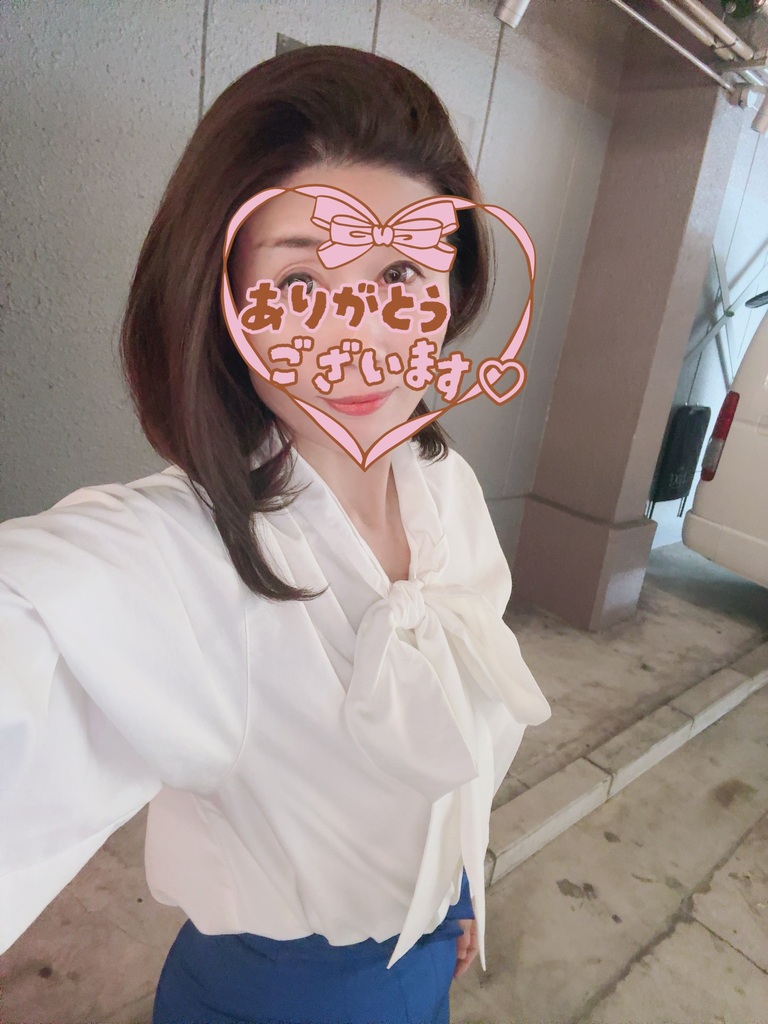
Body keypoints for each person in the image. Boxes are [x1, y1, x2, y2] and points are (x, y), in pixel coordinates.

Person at [0, 44, 550, 1024]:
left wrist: (458, 888)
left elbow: (449, 746)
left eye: (401, 272)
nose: (362, 335)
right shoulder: (180, 559)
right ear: (223, 306)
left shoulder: (447, 488)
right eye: (299, 284)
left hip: (429, 962)